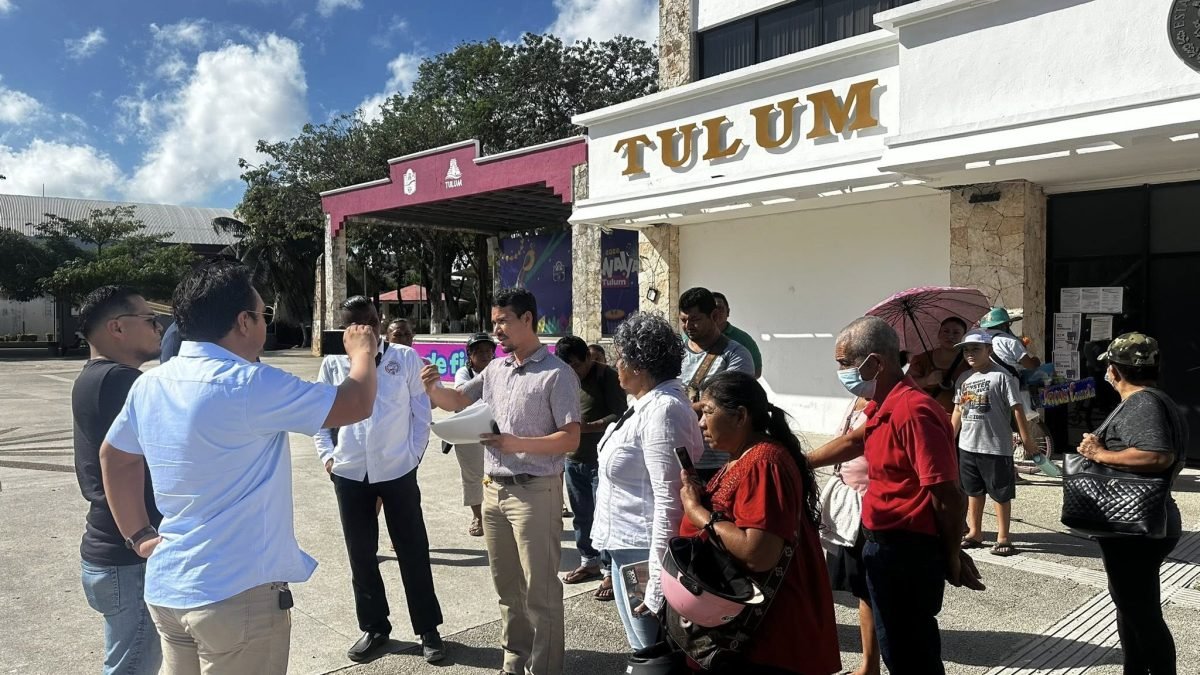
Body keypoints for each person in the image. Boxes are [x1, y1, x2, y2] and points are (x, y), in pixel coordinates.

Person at [99, 261, 380, 674]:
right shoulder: (250, 382)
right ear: (243, 322)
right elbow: (356, 403)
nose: (266, 324)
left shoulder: (151, 383)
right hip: (235, 593)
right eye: (263, 314)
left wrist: (139, 535)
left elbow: (115, 457)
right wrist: (362, 352)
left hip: (171, 587)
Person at [808, 316, 984, 675]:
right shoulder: (882, 403)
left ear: (874, 363)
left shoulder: (913, 411)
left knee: (910, 654)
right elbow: (854, 441)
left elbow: (948, 495)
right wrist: (798, 461)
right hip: (882, 543)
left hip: (907, 550)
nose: (840, 372)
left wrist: (951, 555)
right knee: (896, 645)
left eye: (844, 364)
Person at [421, 288, 581, 675]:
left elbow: (571, 438)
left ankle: (544, 668)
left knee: (541, 592)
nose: (497, 330)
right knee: (508, 590)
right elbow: (458, 400)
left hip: (536, 492)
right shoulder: (496, 369)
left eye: (503, 321)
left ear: (528, 320)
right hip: (494, 491)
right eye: (494, 322)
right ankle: (514, 661)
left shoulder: (557, 374)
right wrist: (432, 388)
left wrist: (516, 443)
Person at [678, 371, 840, 674]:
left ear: (740, 416)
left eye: (708, 412)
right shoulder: (742, 455)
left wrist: (697, 512)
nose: (701, 424)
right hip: (746, 622)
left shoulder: (764, 462)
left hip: (766, 630)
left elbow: (759, 553)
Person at [314, 296, 444, 664]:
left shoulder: (403, 359)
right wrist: (328, 457)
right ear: (342, 328)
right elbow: (321, 417)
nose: (362, 330)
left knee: (413, 550)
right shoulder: (334, 364)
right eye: (352, 324)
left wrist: (413, 458)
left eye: (368, 322)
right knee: (361, 555)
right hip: (351, 472)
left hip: (397, 471)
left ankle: (428, 628)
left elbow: (421, 416)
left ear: (379, 319)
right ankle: (374, 628)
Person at [589, 313, 702, 650]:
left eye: (619, 358)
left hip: (644, 552)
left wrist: (656, 584)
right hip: (627, 547)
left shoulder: (663, 411)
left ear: (639, 364)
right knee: (643, 646)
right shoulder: (643, 404)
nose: (615, 366)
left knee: (651, 648)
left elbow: (670, 501)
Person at [1077, 333, 1187, 675]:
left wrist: (1100, 453)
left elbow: (1157, 455)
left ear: (1114, 370)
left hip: (1136, 527)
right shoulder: (1153, 400)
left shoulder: (1143, 403)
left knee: (1142, 613)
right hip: (1137, 524)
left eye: (1108, 368)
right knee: (1130, 608)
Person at [72, 286, 165, 675]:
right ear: (117, 328)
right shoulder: (121, 382)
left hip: (110, 551)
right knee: (131, 668)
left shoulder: (97, 377)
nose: (159, 326)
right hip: (128, 556)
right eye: (149, 319)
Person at [951, 330, 1039, 556]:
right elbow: (958, 410)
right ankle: (975, 532)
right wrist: (949, 437)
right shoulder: (963, 379)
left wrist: (1027, 439)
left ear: (989, 350)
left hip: (995, 447)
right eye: (966, 350)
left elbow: (1017, 409)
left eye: (975, 349)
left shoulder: (1001, 376)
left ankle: (1004, 537)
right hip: (968, 446)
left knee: (1000, 493)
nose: (970, 354)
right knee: (973, 491)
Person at [556, 335, 629, 587]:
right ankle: (589, 561)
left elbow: (621, 416)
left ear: (588, 356)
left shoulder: (607, 376)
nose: (572, 372)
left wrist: (590, 427)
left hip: (601, 461)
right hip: (572, 458)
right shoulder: (562, 377)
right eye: (567, 367)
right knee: (581, 514)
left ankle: (609, 570)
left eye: (576, 365)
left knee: (603, 515)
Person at [817, 395, 879, 675]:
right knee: (862, 590)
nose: (844, 369)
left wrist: (800, 461)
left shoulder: (887, 403)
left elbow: (851, 443)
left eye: (847, 362)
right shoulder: (856, 400)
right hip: (850, 505)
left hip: (873, 506)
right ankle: (870, 663)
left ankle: (872, 663)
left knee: (871, 590)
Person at [679, 287, 755, 482]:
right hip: (680, 455)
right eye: (683, 320)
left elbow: (725, 404)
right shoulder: (674, 353)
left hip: (718, 460)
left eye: (695, 320)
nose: (688, 326)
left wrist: (676, 411)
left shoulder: (737, 355)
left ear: (714, 315)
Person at [451, 332, 496, 537]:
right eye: (479, 352)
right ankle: (478, 516)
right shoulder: (463, 373)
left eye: (489, 351)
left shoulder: (502, 370)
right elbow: (462, 395)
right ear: (470, 355)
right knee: (472, 475)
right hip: (469, 432)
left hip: (495, 429)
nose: (485, 355)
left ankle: (495, 514)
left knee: (496, 474)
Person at [907, 317, 970, 415]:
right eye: (946, 331)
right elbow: (907, 385)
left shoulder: (970, 360)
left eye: (956, 332)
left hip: (959, 419)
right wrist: (926, 380)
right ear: (939, 334)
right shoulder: (921, 359)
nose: (950, 336)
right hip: (925, 416)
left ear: (964, 337)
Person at [712, 291, 762, 379]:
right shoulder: (693, 337)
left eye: (720, 308)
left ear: (728, 312)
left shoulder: (744, 339)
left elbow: (756, 372)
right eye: (711, 309)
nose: (716, 313)